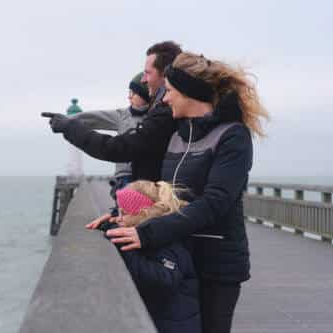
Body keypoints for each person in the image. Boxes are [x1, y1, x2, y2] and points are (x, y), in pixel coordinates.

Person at [43, 51, 269, 333]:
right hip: (180, 255)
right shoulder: (177, 135)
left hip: (216, 265)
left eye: (170, 91)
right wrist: (123, 216)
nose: (163, 99)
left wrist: (145, 233)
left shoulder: (232, 136)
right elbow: (162, 195)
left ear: (189, 93)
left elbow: (215, 203)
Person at [41, 40, 182, 182]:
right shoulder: (160, 110)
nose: (143, 80)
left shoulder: (166, 113)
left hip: (154, 196)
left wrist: (69, 126)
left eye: (147, 73)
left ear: (165, 75)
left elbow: (118, 149)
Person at [97, 180, 201, 333]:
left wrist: (124, 245)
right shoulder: (152, 235)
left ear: (144, 214)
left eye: (124, 213)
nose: (118, 219)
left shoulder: (168, 242)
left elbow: (162, 280)